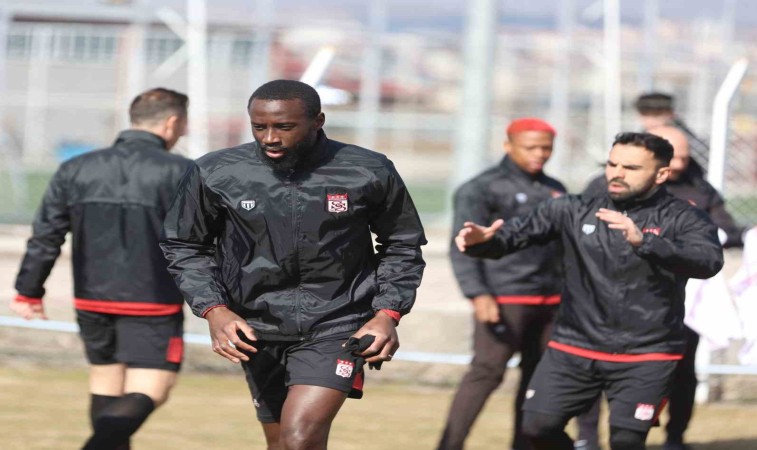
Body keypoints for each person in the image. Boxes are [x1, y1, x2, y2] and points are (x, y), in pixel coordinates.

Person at [160, 79, 426, 450]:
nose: (270, 138)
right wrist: (214, 310)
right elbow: (184, 245)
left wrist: (387, 313)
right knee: (282, 443)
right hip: (255, 328)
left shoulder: (369, 169)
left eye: (284, 127)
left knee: (299, 437)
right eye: (259, 127)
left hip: (337, 324)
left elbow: (402, 244)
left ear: (318, 121)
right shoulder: (216, 171)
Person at [455, 132, 724, 450]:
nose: (617, 173)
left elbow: (708, 261)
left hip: (647, 352)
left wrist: (646, 242)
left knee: (626, 441)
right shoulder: (573, 208)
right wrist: (481, 243)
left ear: (661, 174)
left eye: (631, 168)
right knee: (536, 428)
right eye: (612, 164)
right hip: (574, 346)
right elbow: (514, 236)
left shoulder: (685, 216)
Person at [11, 88, 192, 449]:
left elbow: (46, 235)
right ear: (172, 122)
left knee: (106, 385)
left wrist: (28, 290)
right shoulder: (183, 171)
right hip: (153, 302)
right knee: (152, 389)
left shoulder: (75, 167)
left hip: (91, 300)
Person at [577, 125, 750, 450]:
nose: (680, 163)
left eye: (684, 157)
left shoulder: (698, 189)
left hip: (675, 303)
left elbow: (723, 230)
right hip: (610, 300)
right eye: (674, 156)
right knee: (593, 367)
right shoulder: (607, 185)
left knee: (681, 371)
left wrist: (746, 233)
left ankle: (674, 437)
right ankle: (586, 438)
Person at [437, 118, 566, 450]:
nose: (540, 154)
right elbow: (462, 246)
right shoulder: (480, 188)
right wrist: (478, 293)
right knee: (486, 372)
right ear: (508, 145)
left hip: (552, 301)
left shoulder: (556, 188)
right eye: (531, 147)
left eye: (546, 148)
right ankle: (449, 445)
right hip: (505, 298)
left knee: (537, 379)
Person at [634, 92, 710, 167]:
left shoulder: (685, 139)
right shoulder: (639, 139)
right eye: (646, 114)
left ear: (671, 113)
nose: (651, 120)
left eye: (657, 114)